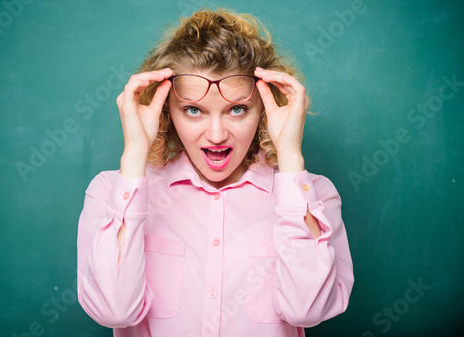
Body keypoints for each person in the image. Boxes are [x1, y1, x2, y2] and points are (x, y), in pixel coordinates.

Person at [77, 7, 354, 337]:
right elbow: (116, 312)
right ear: (167, 109)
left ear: (264, 107)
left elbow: (308, 311)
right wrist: (136, 153)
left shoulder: (314, 197)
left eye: (237, 109)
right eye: (193, 110)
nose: (217, 134)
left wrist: (290, 155)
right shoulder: (110, 193)